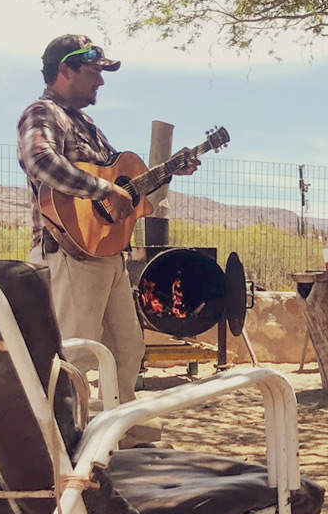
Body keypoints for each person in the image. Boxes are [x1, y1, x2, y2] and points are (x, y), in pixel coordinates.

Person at [18, 34, 199, 404]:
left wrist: (168, 171)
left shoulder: (87, 126)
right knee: (76, 355)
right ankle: (68, 443)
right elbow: (40, 160)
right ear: (65, 69)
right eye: (93, 71)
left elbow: (126, 182)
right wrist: (101, 192)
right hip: (71, 254)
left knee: (127, 351)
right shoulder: (42, 113)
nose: (101, 81)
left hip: (106, 254)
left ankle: (120, 438)